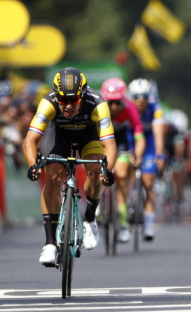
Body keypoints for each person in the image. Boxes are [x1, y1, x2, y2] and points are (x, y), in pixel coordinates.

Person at [24, 68, 116, 266]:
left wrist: (107, 170)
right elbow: (30, 140)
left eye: (73, 100)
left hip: (88, 134)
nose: (67, 105)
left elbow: (110, 144)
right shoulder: (48, 103)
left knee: (94, 171)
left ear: (82, 96)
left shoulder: (98, 104)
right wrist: (33, 165)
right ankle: (49, 244)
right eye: (62, 100)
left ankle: (90, 218)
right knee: (54, 177)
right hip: (58, 134)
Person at [100, 77, 145, 244]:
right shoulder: (99, 108)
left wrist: (137, 156)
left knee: (120, 173)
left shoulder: (130, 108)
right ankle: (97, 205)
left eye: (117, 103)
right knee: (97, 168)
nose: (113, 107)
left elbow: (139, 136)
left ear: (123, 100)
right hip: (103, 140)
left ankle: (124, 223)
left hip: (122, 142)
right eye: (110, 103)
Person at [128, 78, 167, 240]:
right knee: (126, 171)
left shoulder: (156, 109)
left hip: (150, 143)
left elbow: (158, 134)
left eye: (144, 96)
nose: (141, 100)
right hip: (131, 139)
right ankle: (130, 202)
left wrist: (159, 153)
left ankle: (149, 224)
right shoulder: (128, 108)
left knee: (148, 181)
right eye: (136, 96)